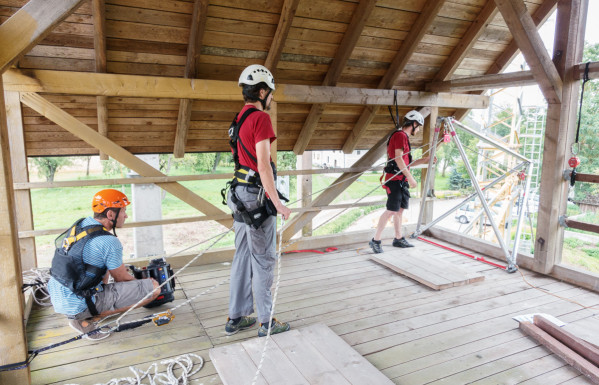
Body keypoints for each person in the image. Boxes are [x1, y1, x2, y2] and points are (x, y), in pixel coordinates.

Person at [224, 64, 291, 337]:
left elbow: (243, 161)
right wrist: (277, 202)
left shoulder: (238, 119)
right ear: (262, 91)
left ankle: (236, 317)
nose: (271, 98)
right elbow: (263, 164)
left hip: (239, 194)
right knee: (263, 258)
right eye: (270, 93)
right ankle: (266, 321)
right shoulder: (260, 118)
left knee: (242, 256)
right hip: (256, 197)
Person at [48, 189, 160, 340]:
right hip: (77, 303)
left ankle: (89, 309)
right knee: (153, 289)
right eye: (124, 211)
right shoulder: (109, 241)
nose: (126, 215)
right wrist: (142, 284)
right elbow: (122, 279)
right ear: (110, 215)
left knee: (102, 267)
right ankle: (85, 320)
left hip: (59, 294)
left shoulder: (81, 224)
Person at [369, 110, 434, 253]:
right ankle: (375, 240)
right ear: (414, 123)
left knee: (399, 211)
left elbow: (405, 162)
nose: (418, 130)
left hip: (401, 180)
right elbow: (398, 159)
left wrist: (425, 160)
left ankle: (398, 239)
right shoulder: (400, 135)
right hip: (395, 180)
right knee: (391, 210)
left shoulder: (403, 137)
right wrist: (410, 177)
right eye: (419, 127)